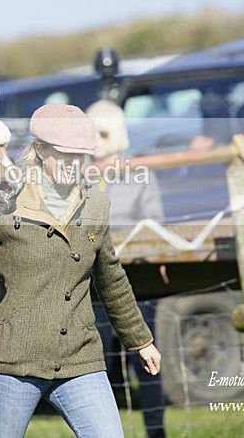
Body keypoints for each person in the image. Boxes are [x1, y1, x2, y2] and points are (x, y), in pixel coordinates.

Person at [0, 103, 161, 438]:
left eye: (79, 155)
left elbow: (112, 279)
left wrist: (141, 341)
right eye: (64, 154)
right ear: (39, 151)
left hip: (80, 360)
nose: (72, 163)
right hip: (12, 365)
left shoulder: (96, 205)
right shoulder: (3, 203)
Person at [86, 99, 166, 438]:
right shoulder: (76, 174)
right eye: (91, 133)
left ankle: (156, 431)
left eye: (103, 134)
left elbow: (154, 224)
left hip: (136, 283)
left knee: (146, 362)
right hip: (90, 287)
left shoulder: (139, 173)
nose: (95, 142)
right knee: (95, 364)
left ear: (118, 136)